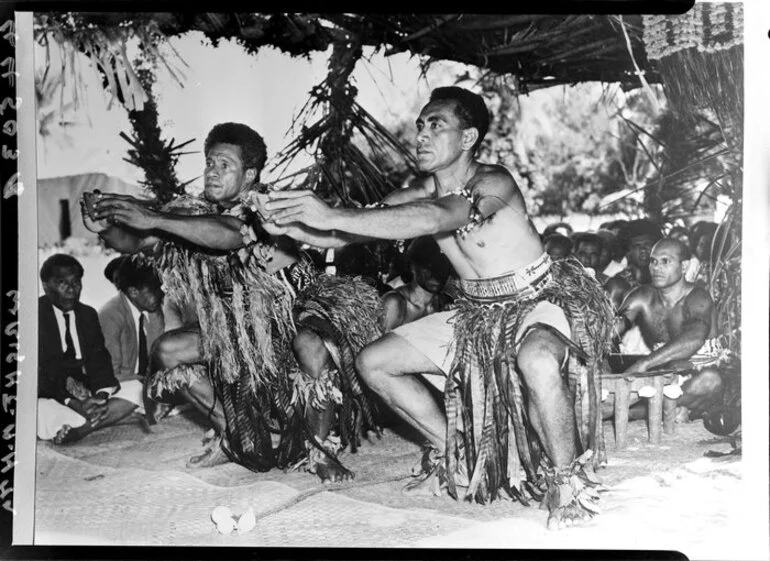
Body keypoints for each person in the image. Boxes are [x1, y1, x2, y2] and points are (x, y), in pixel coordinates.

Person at [258, 86, 614, 529]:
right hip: (477, 313)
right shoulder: (421, 189)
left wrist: (330, 216)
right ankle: (457, 451)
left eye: (435, 125)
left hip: (538, 301)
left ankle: (567, 482)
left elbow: (436, 218)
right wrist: (289, 224)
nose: (421, 135)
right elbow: (347, 233)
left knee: (537, 359)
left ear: (467, 138)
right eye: (420, 126)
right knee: (375, 362)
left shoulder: (493, 182)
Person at [82, 122, 383, 481]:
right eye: (210, 162)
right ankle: (232, 434)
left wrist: (157, 217)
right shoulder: (191, 214)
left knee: (312, 344)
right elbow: (138, 241)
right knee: (169, 350)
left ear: (250, 174)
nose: (212, 170)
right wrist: (103, 225)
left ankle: (319, 451)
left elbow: (229, 235)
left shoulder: (268, 210)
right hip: (241, 335)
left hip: (293, 323)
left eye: (225, 165)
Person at [612, 238, 726, 420]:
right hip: (662, 376)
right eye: (653, 261)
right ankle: (667, 409)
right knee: (614, 391)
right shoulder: (642, 296)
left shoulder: (698, 298)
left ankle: (643, 411)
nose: (656, 267)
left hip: (698, 379)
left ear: (684, 266)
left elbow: (694, 339)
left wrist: (644, 364)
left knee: (710, 380)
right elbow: (615, 327)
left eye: (665, 261)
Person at [37, 254, 142, 444]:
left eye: (76, 282)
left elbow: (100, 360)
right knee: (39, 410)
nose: (71, 289)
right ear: (45, 285)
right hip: (53, 393)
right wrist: (75, 403)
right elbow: (39, 373)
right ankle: (95, 419)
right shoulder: (34, 315)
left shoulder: (87, 314)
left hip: (87, 390)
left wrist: (100, 398)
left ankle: (81, 429)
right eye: (62, 282)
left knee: (137, 388)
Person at [381, 236, 453, 331]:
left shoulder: (445, 304)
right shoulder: (395, 303)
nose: (437, 273)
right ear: (413, 267)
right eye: (429, 266)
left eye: (443, 266)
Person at [604, 219, 663, 310]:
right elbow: (608, 321)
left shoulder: (666, 281)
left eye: (648, 244)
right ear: (627, 252)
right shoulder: (617, 286)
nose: (643, 250)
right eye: (636, 246)